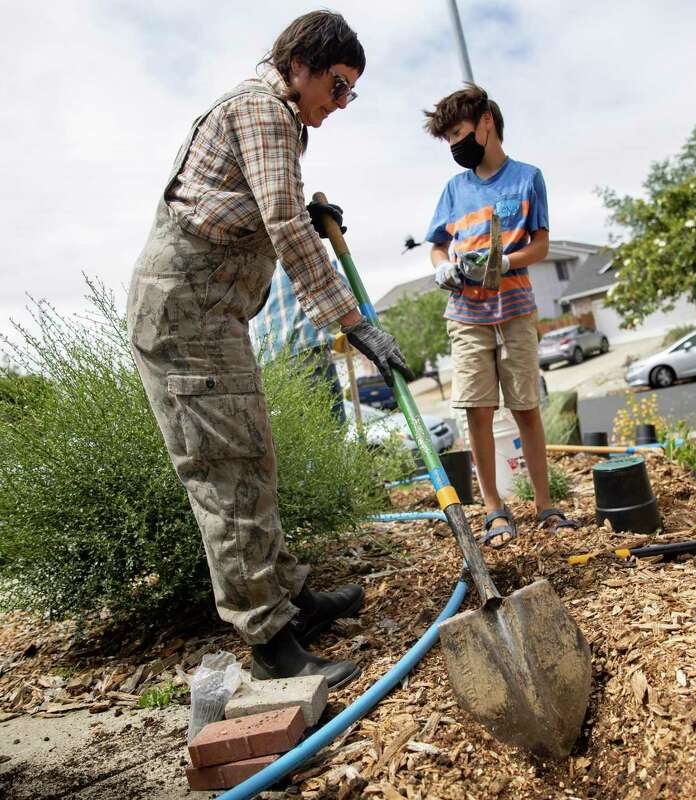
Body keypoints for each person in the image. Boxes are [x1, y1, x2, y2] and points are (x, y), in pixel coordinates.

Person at [126, 11, 410, 689]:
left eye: (350, 95)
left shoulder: (269, 114)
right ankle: (271, 643)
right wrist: (354, 322)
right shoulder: (265, 113)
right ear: (301, 65)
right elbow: (282, 223)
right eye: (337, 87)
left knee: (252, 455)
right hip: (186, 319)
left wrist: (297, 218)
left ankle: (292, 600)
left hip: (209, 317)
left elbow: (238, 208)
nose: (339, 106)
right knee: (226, 474)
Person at [422, 84, 578, 548]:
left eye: (458, 132)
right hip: (467, 314)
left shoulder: (528, 178)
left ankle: (545, 505)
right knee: (478, 412)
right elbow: (435, 246)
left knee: (526, 407)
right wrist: (442, 268)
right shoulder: (454, 189)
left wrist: (507, 261)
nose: (454, 145)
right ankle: (494, 508)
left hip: (514, 308)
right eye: (447, 138)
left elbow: (542, 245)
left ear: (486, 121)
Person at [249, 262, 346, 422]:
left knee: (298, 436)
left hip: (269, 367)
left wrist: (330, 338)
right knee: (329, 429)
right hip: (306, 357)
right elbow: (338, 287)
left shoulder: (256, 265)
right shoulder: (297, 249)